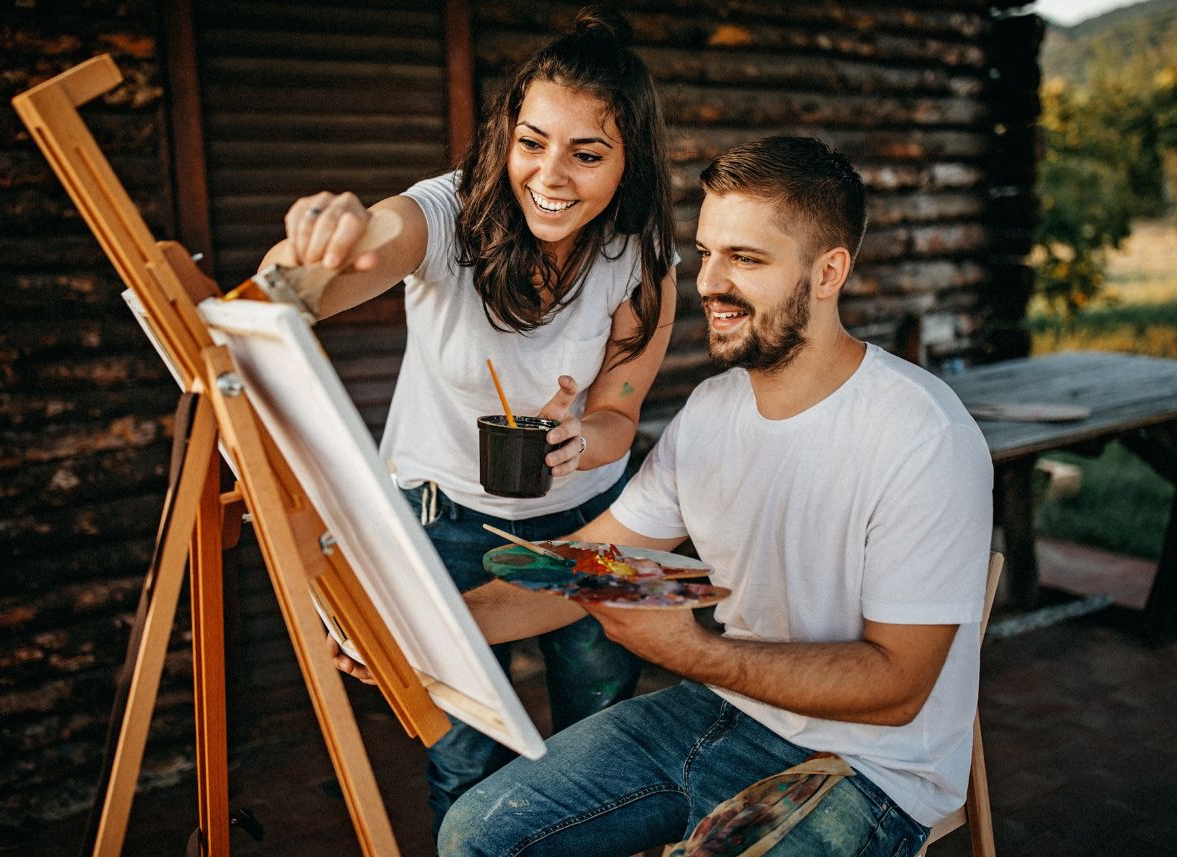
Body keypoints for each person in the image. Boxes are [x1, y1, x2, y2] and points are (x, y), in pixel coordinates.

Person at [425, 136, 995, 856]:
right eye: (707, 253)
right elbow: (583, 567)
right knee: (476, 835)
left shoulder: (924, 435)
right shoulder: (710, 410)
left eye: (746, 259)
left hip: (869, 766)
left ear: (828, 272)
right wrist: (429, 626)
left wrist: (693, 651)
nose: (708, 283)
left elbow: (898, 685)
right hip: (722, 706)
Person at [261, 5, 678, 834]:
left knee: (596, 742)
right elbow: (325, 276)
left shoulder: (641, 256)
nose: (550, 175)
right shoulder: (445, 216)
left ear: (628, 166)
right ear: (505, 138)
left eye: (586, 154)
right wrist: (314, 249)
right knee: (464, 755)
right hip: (441, 520)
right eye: (532, 142)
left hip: (588, 522)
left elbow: (618, 414)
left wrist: (577, 438)